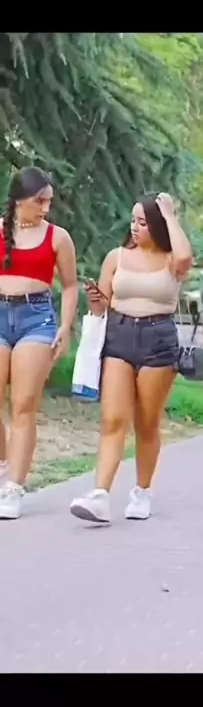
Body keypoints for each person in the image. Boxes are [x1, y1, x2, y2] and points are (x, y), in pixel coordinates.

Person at [70, 193, 192, 525]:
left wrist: (170, 215)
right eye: (133, 221)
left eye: (143, 222)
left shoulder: (171, 259)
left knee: (147, 422)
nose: (135, 227)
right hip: (119, 336)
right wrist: (95, 299)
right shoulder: (117, 257)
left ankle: (142, 491)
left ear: (158, 226)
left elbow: (185, 257)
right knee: (113, 419)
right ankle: (100, 495)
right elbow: (103, 304)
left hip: (157, 339)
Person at [0, 166, 77, 519]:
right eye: (39, 201)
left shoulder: (58, 237)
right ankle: (4, 463)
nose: (46, 208)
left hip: (37, 319)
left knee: (24, 404)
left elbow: (70, 285)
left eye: (49, 201)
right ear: (19, 199)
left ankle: (14, 488)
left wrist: (66, 326)